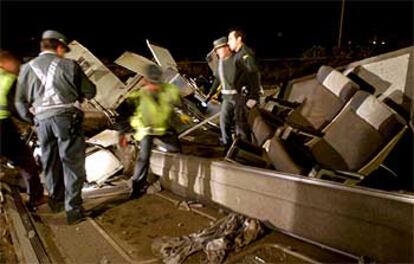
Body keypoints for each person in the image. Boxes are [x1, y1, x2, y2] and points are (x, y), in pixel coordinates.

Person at [15, 30, 96, 225]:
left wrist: (32, 120)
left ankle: (56, 201)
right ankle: (73, 210)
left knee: (50, 161)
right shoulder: (70, 65)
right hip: (66, 119)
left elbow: (19, 102)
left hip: (42, 122)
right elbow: (91, 92)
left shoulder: (27, 68)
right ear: (59, 47)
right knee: (72, 163)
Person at [118, 64, 182, 199]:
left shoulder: (169, 91)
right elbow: (122, 114)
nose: (155, 86)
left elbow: (180, 104)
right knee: (143, 158)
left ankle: (177, 181)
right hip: (146, 131)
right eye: (151, 82)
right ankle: (136, 188)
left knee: (178, 152)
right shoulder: (137, 96)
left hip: (164, 129)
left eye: (157, 82)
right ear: (145, 81)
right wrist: (122, 134)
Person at [0, 50, 44, 209]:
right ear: (3, 63)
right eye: (14, 63)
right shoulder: (7, 78)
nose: (17, 67)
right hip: (3, 127)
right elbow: (16, 107)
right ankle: (36, 198)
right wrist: (33, 121)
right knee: (26, 161)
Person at [205, 37, 250, 151]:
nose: (217, 52)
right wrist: (210, 94)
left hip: (238, 97)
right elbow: (217, 80)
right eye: (216, 50)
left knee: (240, 124)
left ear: (227, 48)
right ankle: (227, 144)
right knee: (224, 121)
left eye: (219, 49)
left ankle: (245, 147)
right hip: (226, 98)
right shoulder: (220, 63)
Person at [227, 29, 262, 105]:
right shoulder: (238, 54)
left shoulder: (244, 53)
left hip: (246, 98)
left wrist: (254, 97)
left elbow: (253, 72)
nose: (228, 42)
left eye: (230, 39)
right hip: (241, 97)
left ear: (239, 39)